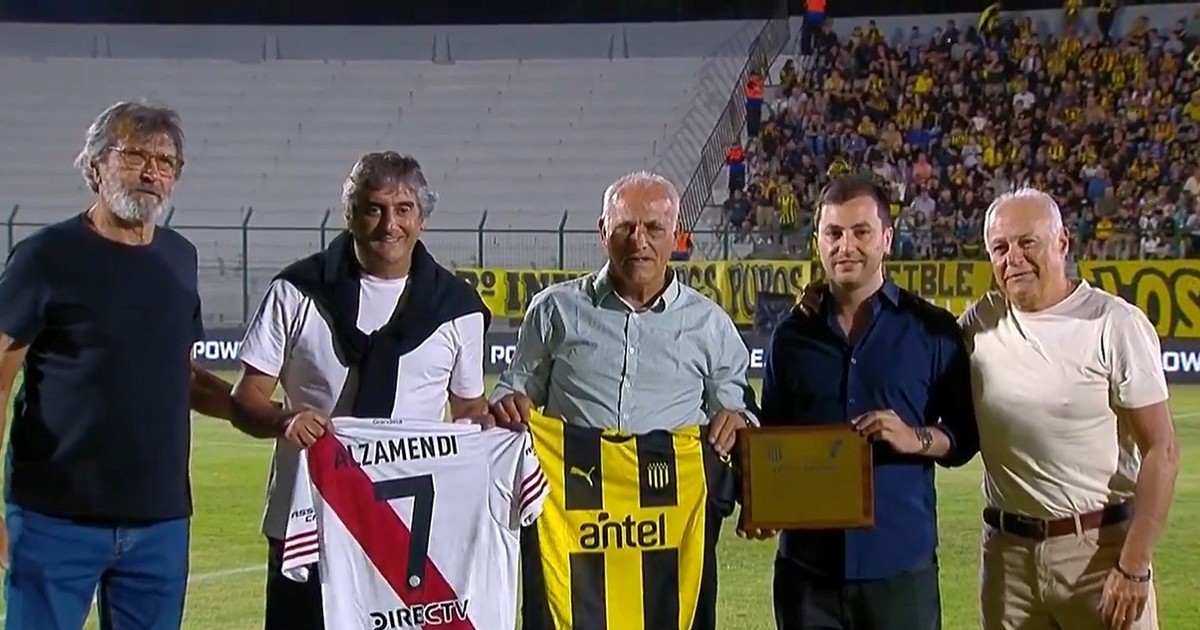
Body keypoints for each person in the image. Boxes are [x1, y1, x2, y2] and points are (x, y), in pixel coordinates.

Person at [229, 151, 491, 630]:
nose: (390, 225)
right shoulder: (296, 290)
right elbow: (245, 398)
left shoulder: (457, 307)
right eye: (374, 209)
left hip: (409, 529)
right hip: (307, 521)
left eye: (404, 209)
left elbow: (469, 407)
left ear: (423, 218)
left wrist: (497, 430)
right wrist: (284, 420)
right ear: (349, 214)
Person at [0, 100, 235, 630]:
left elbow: (180, 376)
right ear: (95, 166)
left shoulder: (180, 257)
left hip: (160, 521)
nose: (151, 172)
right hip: (55, 518)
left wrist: (265, 413)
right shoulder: (44, 257)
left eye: (165, 161)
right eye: (134, 156)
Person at [490, 171, 757, 629]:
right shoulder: (554, 310)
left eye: (654, 228)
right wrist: (508, 404)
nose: (639, 242)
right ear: (602, 232)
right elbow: (514, 391)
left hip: (668, 526)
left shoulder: (710, 325)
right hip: (573, 523)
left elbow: (736, 412)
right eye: (625, 228)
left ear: (676, 235)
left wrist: (740, 419)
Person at [754, 173, 979, 630]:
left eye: (861, 232)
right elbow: (770, 438)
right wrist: (762, 501)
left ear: (887, 239)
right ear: (818, 241)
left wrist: (914, 437)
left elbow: (964, 437)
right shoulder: (791, 337)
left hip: (900, 568)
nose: (846, 246)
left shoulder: (932, 329)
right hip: (807, 573)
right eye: (834, 233)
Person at [963, 188, 1179, 630]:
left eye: (1027, 242)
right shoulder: (981, 322)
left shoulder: (1115, 324)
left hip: (1100, 553)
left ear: (1062, 242)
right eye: (1000, 248)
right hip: (1007, 559)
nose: (1013, 258)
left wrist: (1134, 564)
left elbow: (1162, 450)